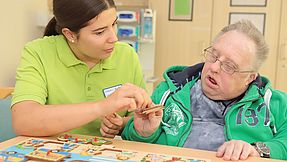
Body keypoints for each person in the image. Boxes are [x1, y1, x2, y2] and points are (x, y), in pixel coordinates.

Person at [122, 20, 287, 160]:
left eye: (229, 66)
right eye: (214, 56)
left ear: (250, 78)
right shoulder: (169, 92)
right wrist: (142, 133)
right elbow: (131, 141)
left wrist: (256, 150)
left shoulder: (272, 102)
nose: (214, 67)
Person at [11, 0, 151, 138]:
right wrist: (101, 107)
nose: (114, 38)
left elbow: (137, 118)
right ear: (70, 34)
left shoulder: (127, 55)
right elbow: (24, 121)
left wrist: (121, 125)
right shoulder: (38, 53)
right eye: (99, 32)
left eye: (114, 24)